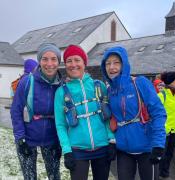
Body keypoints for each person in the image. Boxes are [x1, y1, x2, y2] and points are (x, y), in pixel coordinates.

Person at [100, 46, 166, 180]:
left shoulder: (140, 83)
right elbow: (111, 119)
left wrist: (158, 144)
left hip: (147, 148)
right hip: (124, 150)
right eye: (107, 63)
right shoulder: (110, 91)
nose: (111, 67)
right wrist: (112, 142)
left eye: (116, 62)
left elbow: (159, 113)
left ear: (124, 63)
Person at [54, 44, 116, 180]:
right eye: (69, 61)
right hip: (77, 150)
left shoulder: (98, 86)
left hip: (102, 147)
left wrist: (111, 140)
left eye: (77, 60)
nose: (73, 64)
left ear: (84, 63)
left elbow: (108, 116)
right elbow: (60, 125)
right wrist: (67, 151)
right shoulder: (61, 92)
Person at [10, 43, 62, 180]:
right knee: (30, 177)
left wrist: (60, 140)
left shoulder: (62, 85)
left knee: (54, 176)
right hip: (27, 138)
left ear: (58, 61)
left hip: (52, 139)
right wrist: (20, 138)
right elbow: (16, 110)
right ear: (39, 61)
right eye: (45, 59)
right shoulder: (27, 81)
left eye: (53, 59)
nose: (49, 63)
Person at [158, 71, 175, 179]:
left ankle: (164, 174)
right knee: (161, 155)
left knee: (169, 154)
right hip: (163, 131)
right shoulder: (162, 96)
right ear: (170, 81)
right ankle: (157, 174)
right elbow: (154, 114)